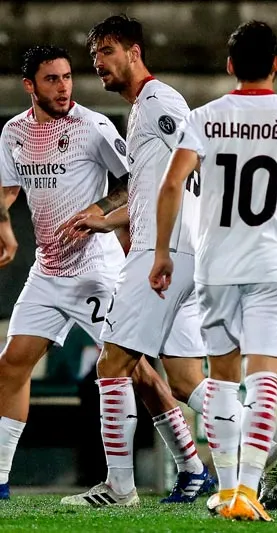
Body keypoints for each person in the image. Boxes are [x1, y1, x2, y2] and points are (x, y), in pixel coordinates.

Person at [148, 20, 277, 521]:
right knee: (265, 379)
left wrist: (161, 254)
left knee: (220, 378)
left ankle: (229, 487)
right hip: (274, 266)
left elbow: (171, 187)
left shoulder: (206, 117)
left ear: (230, 65)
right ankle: (251, 491)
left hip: (218, 264)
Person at [0, 45, 183, 503]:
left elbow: (132, 182)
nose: (63, 87)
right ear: (30, 86)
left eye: (67, 78)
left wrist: (99, 210)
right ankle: (1, 480)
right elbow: (6, 188)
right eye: (51, 80)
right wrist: (3, 223)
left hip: (96, 269)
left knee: (134, 370)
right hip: (48, 270)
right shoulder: (13, 133)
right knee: (12, 366)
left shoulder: (93, 126)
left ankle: (191, 465)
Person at [58, 16, 214, 506]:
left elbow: (190, 172)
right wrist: (110, 219)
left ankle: (119, 487)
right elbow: (160, 188)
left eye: (106, 51)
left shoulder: (158, 103)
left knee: (112, 362)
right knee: (186, 379)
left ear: (134, 51)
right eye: (94, 57)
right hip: (180, 250)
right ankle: (266, 450)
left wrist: (160, 249)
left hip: (161, 254)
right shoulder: (145, 108)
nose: (98, 64)